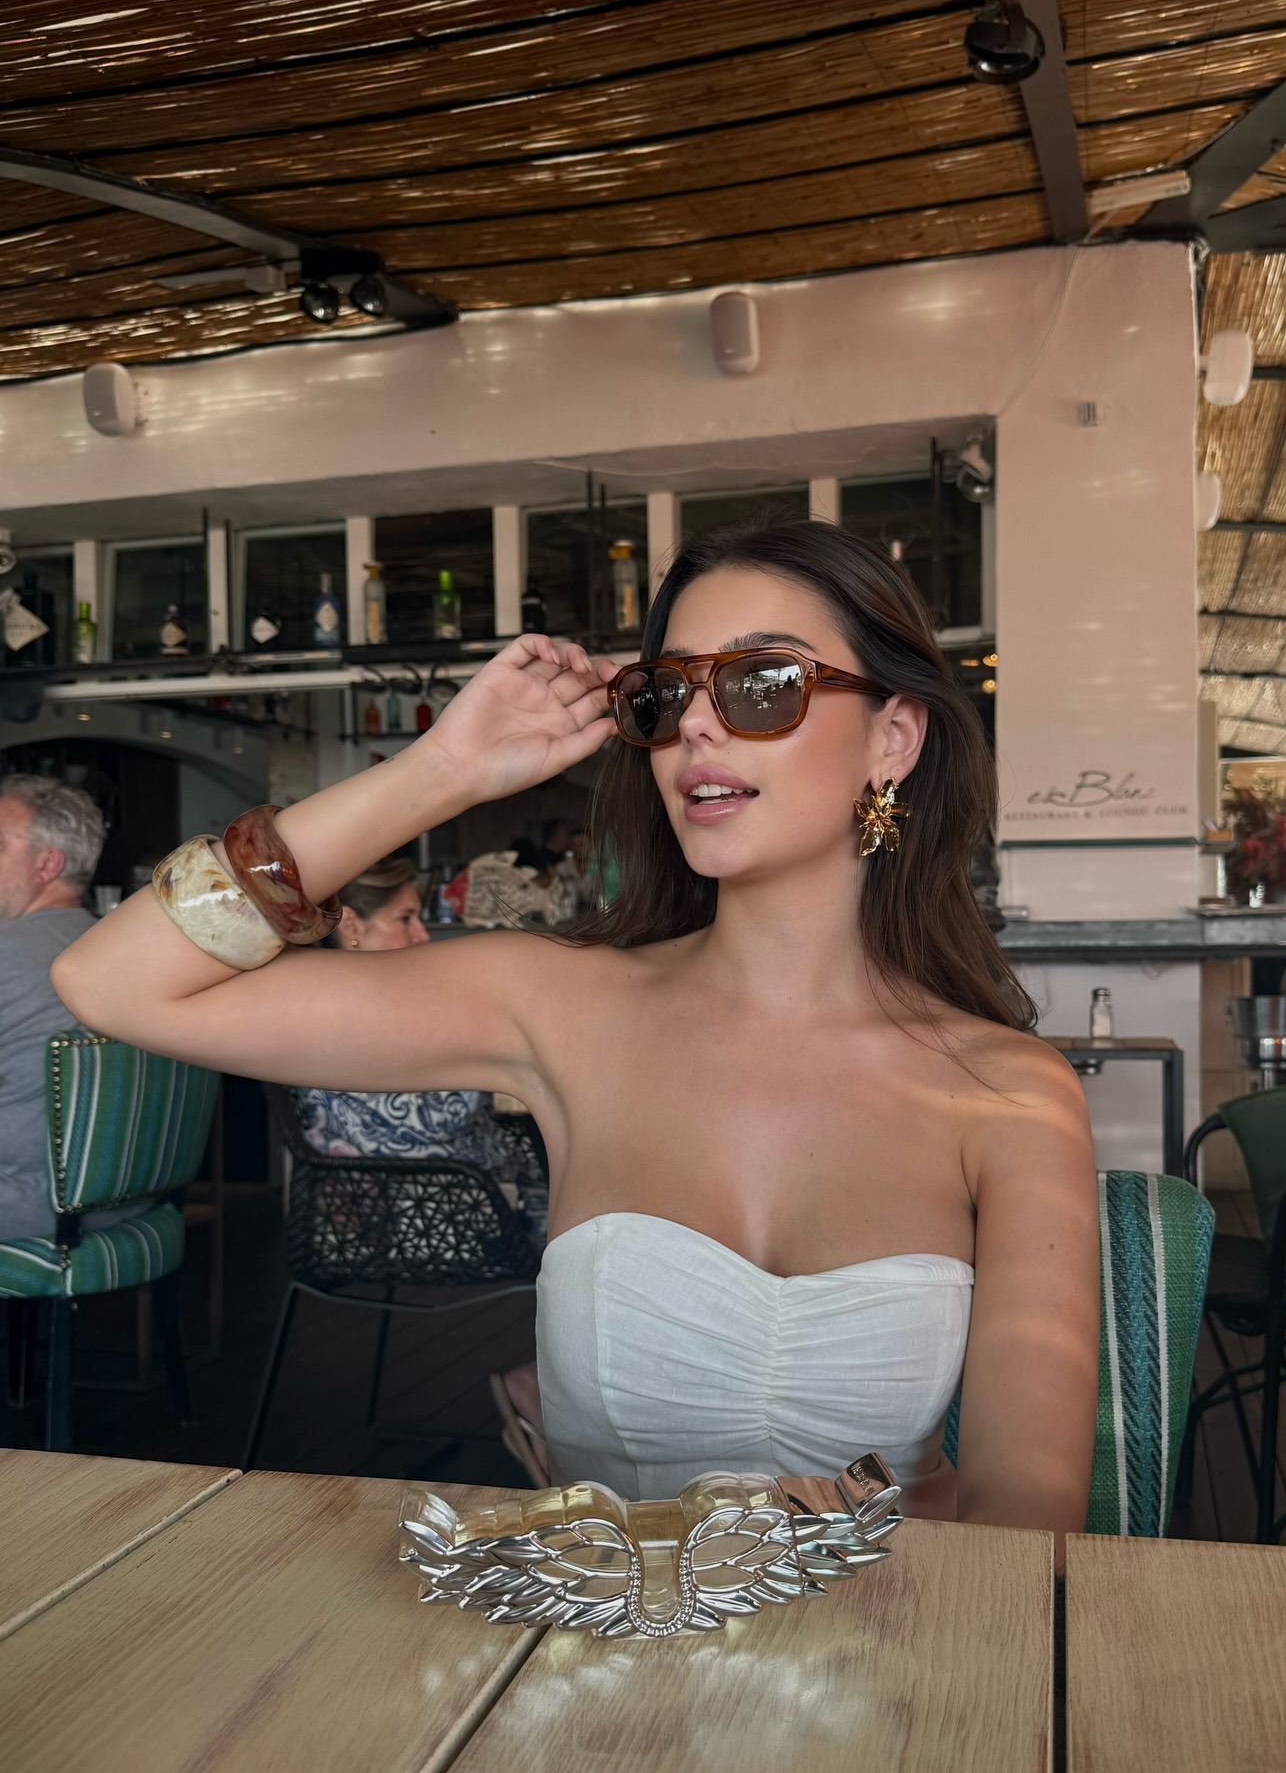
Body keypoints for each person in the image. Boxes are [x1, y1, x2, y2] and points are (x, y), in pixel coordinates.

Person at [54, 520, 1099, 1551]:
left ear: (893, 738)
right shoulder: (557, 1004)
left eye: (762, 684)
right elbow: (116, 982)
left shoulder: (1007, 1093)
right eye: (668, 693)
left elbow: (1027, 1528)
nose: (697, 727)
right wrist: (440, 771)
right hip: (584, 1650)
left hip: (898, 1644)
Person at [291, 855, 548, 1251]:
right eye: (405, 918)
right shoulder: (361, 1009)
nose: (422, 935)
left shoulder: (318, 994)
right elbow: (444, 1114)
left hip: (395, 1212)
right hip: (429, 1217)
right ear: (351, 925)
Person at [0, 773, 119, 1241]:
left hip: (25, 1208)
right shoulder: (125, 952)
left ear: (47, 864)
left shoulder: (8, 952)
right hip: (127, 1206)